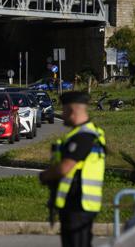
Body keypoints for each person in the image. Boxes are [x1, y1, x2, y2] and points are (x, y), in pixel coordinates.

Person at [39, 91, 106, 247]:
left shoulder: (83, 136)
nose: (62, 114)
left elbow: (65, 167)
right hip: (78, 205)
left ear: (72, 110)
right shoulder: (86, 133)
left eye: (63, 110)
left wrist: (45, 176)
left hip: (79, 205)